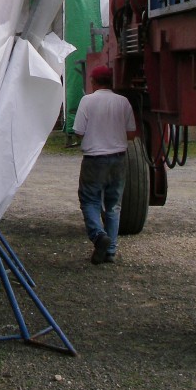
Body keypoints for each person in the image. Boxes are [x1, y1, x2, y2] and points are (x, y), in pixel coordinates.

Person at [71, 64, 136, 265]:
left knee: (89, 200)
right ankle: (110, 251)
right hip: (118, 158)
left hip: (94, 159)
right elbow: (131, 134)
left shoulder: (87, 101)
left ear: (93, 82)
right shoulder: (123, 102)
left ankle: (99, 236)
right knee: (113, 205)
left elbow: (78, 131)